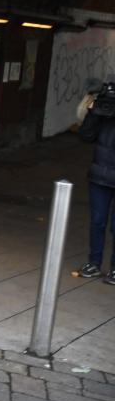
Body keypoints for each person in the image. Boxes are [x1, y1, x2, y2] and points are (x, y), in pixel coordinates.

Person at [76, 79, 115, 284]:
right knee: (97, 222)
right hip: (100, 175)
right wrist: (94, 112)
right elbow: (86, 135)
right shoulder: (103, 107)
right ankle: (94, 263)